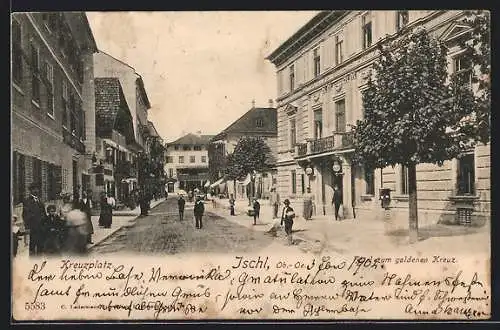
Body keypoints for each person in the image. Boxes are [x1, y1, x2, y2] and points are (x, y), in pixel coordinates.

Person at [22, 183, 47, 256]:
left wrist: (45, 223)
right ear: (30, 190)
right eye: (34, 189)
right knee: (33, 244)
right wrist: (27, 227)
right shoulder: (27, 201)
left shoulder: (40, 200)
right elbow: (25, 214)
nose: (36, 190)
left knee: (40, 245)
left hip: (41, 227)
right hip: (33, 227)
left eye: (37, 189)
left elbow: (43, 212)